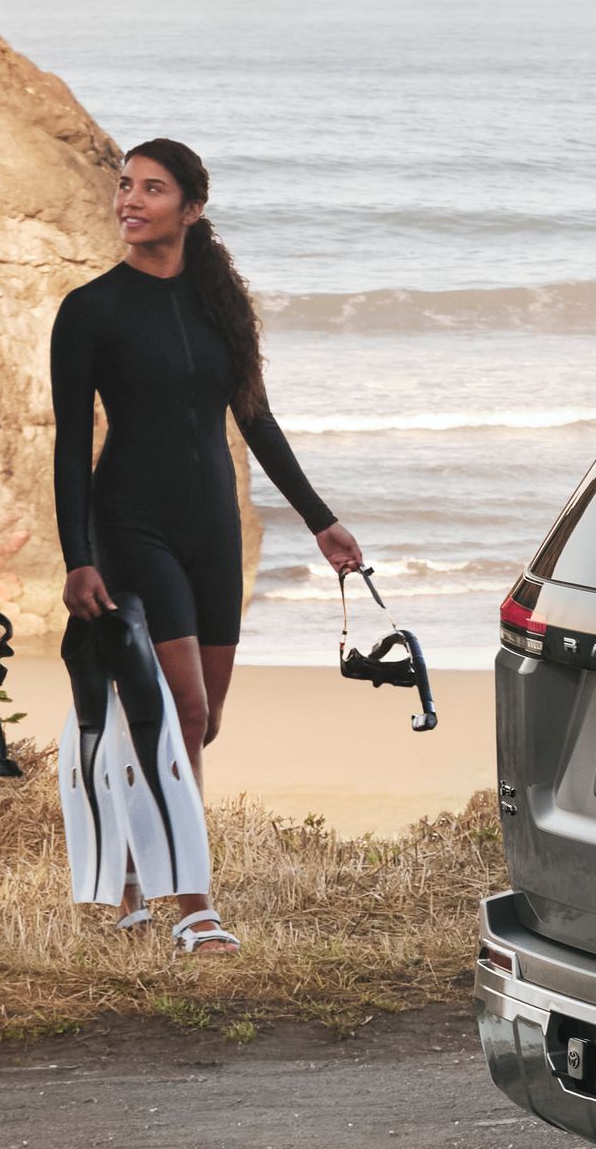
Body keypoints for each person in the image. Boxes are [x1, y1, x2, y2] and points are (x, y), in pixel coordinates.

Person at [48, 132, 367, 951]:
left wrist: (320, 519)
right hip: (130, 525)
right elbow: (70, 444)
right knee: (179, 712)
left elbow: (254, 419)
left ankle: (125, 871)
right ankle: (193, 905)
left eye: (151, 190)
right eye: (125, 186)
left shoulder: (220, 306)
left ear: (191, 208)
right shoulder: (90, 311)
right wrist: (78, 556)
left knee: (203, 719)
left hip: (211, 529)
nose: (129, 201)